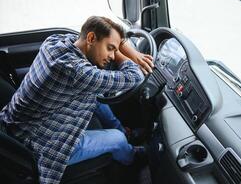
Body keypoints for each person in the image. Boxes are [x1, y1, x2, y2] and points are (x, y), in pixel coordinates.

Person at [0, 16, 154, 184]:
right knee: (117, 139)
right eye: (110, 49)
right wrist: (132, 56)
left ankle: (126, 134)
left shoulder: (55, 42)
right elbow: (135, 76)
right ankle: (132, 156)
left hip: (18, 126)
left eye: (114, 50)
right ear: (91, 38)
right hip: (42, 146)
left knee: (95, 97)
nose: (112, 55)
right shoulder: (77, 73)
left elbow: (91, 30)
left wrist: (117, 45)